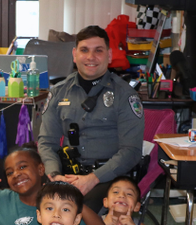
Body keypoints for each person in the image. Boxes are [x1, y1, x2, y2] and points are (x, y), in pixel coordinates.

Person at [38, 25, 144, 211]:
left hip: (108, 177)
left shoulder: (125, 95)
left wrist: (93, 179)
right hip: (66, 173)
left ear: (109, 56)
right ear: (74, 54)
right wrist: (55, 175)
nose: (90, 57)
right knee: (34, 196)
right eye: (84, 50)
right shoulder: (58, 92)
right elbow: (47, 142)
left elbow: (131, 151)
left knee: (76, 208)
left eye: (98, 51)